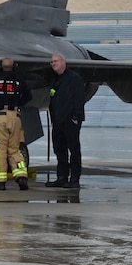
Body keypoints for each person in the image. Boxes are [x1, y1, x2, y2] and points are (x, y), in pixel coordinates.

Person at [0, 57, 32, 191]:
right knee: (15, 149)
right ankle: (21, 176)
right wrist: (17, 104)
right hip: (15, 117)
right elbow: (28, 96)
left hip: (0, 116)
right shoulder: (19, 80)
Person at [47, 53, 87, 189]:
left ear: (63, 62)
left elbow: (79, 99)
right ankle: (62, 177)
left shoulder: (75, 79)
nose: (53, 64)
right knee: (60, 150)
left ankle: (74, 178)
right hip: (58, 121)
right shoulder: (56, 80)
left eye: (56, 61)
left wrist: (75, 117)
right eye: (52, 62)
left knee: (74, 150)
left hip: (70, 121)